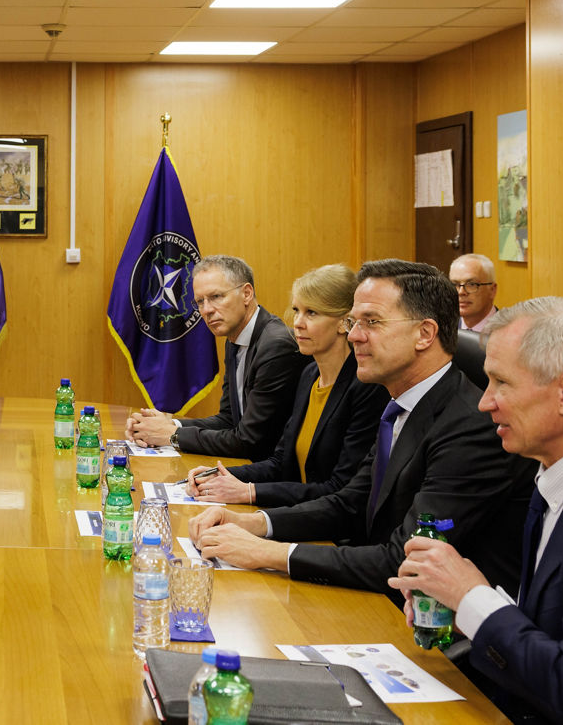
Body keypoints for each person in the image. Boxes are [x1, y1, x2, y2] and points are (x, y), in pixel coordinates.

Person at [188, 259, 535, 599]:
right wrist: (253, 523)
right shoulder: (400, 403)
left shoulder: (469, 427)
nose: (353, 335)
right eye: (354, 321)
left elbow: (404, 559)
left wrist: (270, 554)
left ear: (424, 334)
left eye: (371, 322)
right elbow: (350, 504)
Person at [388, 298, 563, 724]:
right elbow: (542, 633)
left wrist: (472, 598)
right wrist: (459, 606)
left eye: (501, 382)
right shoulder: (545, 482)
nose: (485, 403)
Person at [187, 264, 389, 506]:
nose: (298, 323)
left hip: (331, 531)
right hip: (298, 512)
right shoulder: (309, 375)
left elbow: (340, 489)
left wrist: (250, 492)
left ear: (345, 322)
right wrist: (217, 475)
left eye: (312, 313)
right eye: (296, 310)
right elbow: (281, 461)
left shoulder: (366, 387)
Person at [126, 254, 310, 461]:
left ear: (247, 293)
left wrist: (171, 435)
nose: (207, 310)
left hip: (275, 474)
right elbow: (229, 419)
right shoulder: (235, 338)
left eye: (216, 297)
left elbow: (249, 442)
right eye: (200, 302)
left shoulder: (276, 346)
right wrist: (168, 425)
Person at [450, 253, 499, 332]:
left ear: (492, 290)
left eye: (471, 284)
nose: (461, 292)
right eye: (455, 284)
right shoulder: (441, 329)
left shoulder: (512, 334)